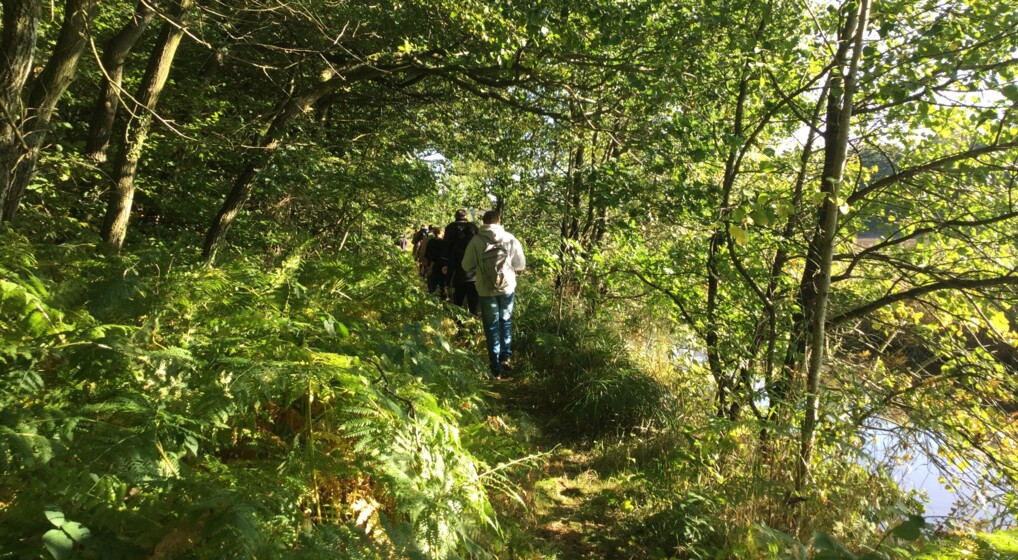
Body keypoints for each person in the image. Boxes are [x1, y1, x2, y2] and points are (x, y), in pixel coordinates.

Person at [462, 210, 526, 376]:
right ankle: (506, 358)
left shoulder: (476, 240)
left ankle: (495, 367)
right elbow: (520, 265)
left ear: (483, 222)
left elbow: (466, 265)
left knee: (491, 327)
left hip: (485, 290)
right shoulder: (510, 238)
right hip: (507, 288)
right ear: (499, 221)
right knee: (505, 321)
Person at [442, 209, 479, 314]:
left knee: (457, 298)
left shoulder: (450, 227)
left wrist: (445, 264)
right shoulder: (474, 227)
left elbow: (445, 246)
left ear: (455, 216)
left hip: (456, 267)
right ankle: (472, 324)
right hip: (474, 273)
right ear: (466, 216)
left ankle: (459, 324)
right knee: (473, 303)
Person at [424, 225, 447, 298]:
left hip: (429, 265)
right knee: (440, 286)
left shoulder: (430, 241)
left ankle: (432, 301)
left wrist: (425, 267)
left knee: (431, 286)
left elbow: (426, 255)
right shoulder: (442, 243)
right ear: (441, 232)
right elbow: (436, 256)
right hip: (438, 267)